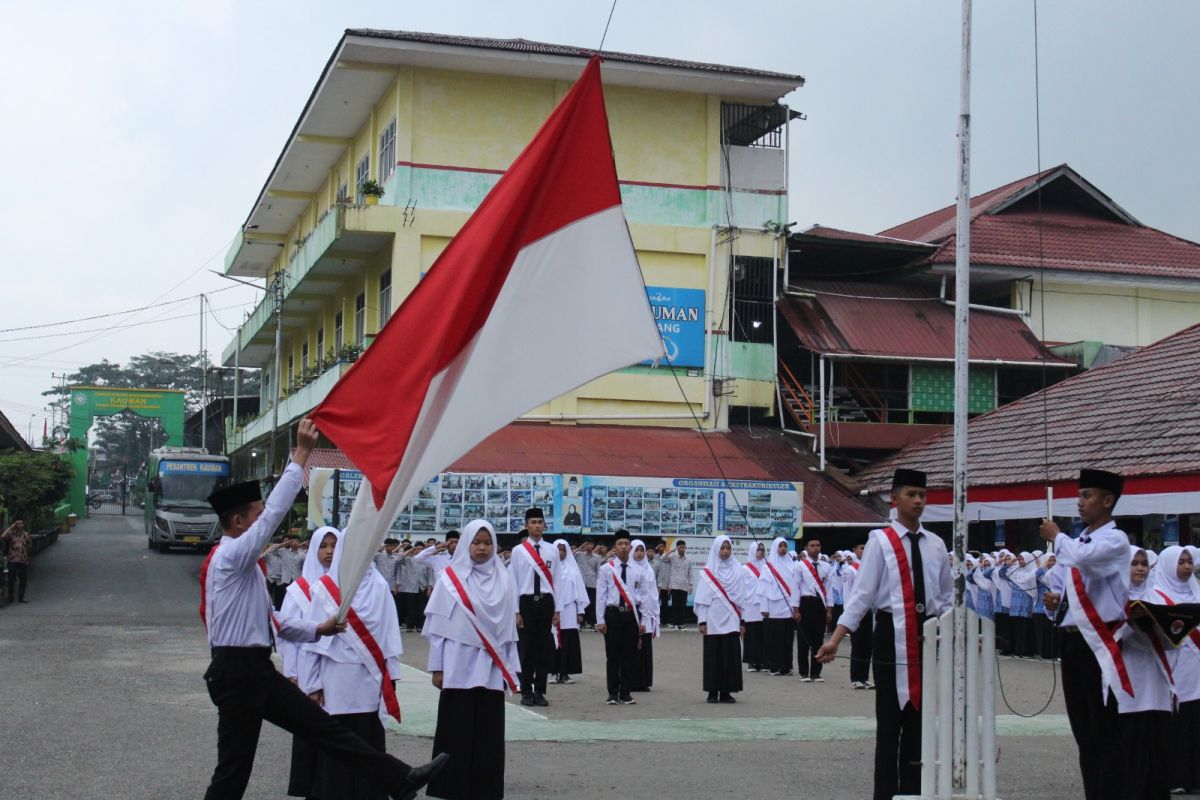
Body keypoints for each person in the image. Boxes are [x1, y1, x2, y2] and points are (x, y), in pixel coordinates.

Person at [199, 418, 446, 800]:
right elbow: (271, 519)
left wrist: (319, 629)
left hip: (252, 669)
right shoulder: (231, 555)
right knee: (234, 768)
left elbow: (275, 623)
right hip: (237, 672)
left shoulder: (244, 567)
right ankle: (399, 780)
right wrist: (300, 455)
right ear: (236, 521)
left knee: (324, 730)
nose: (265, 524)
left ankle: (400, 780)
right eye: (255, 515)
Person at [817, 468, 953, 800]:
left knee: (919, 726)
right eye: (911, 494)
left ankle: (914, 793)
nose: (918, 501)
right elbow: (862, 595)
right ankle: (886, 795)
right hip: (892, 637)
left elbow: (947, 597)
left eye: (922, 495)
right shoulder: (880, 542)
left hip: (927, 637)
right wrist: (836, 637)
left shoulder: (936, 544)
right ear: (894, 499)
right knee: (890, 726)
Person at [1037, 468, 1131, 800]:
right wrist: (1052, 602)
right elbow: (1062, 587)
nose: (1080, 503)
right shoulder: (1077, 542)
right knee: (1083, 733)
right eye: (1079, 496)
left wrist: (1056, 535)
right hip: (1074, 639)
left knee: (1104, 729)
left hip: (1100, 641)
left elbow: (1081, 559)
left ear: (1107, 501)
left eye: (1087, 496)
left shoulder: (1115, 540)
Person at [300, 526, 405, 800]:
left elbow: (390, 636)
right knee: (337, 742)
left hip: (369, 680)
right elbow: (311, 641)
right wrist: (312, 684)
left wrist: (391, 678)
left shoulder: (379, 586)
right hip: (335, 680)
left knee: (367, 737)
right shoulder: (324, 588)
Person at [423, 520, 520, 800]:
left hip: (490, 668)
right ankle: (450, 787)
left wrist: (509, 668)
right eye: (476, 542)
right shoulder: (450, 580)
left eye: (487, 543)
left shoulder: (504, 579)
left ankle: (485, 788)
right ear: (466, 543)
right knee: (457, 730)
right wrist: (437, 667)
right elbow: (438, 628)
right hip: (457, 666)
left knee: (488, 734)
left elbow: (509, 631)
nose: (482, 548)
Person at [279, 526, 336, 799]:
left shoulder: (346, 588)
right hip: (304, 666)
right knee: (309, 726)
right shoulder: (298, 590)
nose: (329, 552)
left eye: (334, 546)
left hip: (334, 667)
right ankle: (308, 786)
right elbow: (287, 636)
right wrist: (291, 672)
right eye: (324, 546)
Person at [1118, 545, 1172, 800]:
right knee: (1132, 742)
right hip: (1128, 677)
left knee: (1158, 743)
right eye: (1134, 563)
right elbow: (1105, 638)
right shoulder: (1114, 598)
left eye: (1143, 563)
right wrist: (1131, 623)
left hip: (1157, 677)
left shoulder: (1159, 598)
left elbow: (1174, 643)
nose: (1140, 568)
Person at [1149, 545, 1200, 795]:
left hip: (1197, 670)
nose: (1187, 566)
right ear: (1169, 565)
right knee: (1177, 722)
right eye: (1181, 562)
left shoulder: (1196, 591)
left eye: (1189, 561)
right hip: (1174, 669)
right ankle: (1176, 776)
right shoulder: (1157, 596)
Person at [508, 508, 560, 707]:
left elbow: (557, 581)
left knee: (544, 649)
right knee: (527, 648)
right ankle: (526, 691)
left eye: (540, 522)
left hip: (546, 602)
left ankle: (540, 691)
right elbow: (514, 582)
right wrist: (516, 611)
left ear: (544, 525)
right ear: (526, 525)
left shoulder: (552, 550)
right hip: (526, 602)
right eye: (533, 522)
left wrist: (557, 610)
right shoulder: (519, 551)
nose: (538, 525)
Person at [694, 535, 749, 703]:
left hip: (732, 617)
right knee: (713, 656)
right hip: (712, 618)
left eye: (728, 548)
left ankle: (726, 691)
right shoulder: (708, 572)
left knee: (730, 655)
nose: (725, 551)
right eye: (722, 548)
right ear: (716, 549)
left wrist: (742, 621)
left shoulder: (739, 569)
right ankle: (712, 691)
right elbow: (702, 599)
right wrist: (702, 621)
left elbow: (742, 598)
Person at [596, 531, 648, 704]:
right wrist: (600, 620)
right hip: (613, 614)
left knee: (629, 655)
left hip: (631, 616)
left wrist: (644, 621)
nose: (624, 547)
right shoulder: (606, 569)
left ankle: (625, 693)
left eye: (627, 543)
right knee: (612, 656)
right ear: (614, 547)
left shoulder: (639, 570)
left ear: (630, 547)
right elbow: (601, 596)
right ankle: (612, 693)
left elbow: (643, 597)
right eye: (620, 544)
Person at [550, 538, 589, 684]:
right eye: (558, 549)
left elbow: (579, 591)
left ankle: (565, 672)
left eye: (563, 550)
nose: (560, 552)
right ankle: (553, 672)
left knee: (568, 641)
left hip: (570, 610)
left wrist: (580, 612)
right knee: (554, 640)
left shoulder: (573, 569)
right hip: (553, 610)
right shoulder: (549, 567)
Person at [761, 537, 801, 676]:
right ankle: (773, 666)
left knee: (787, 638)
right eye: (780, 546)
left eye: (785, 546)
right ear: (775, 548)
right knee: (773, 638)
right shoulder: (768, 567)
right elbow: (763, 589)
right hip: (773, 607)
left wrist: (796, 606)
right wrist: (764, 608)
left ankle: (786, 666)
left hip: (788, 606)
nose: (783, 548)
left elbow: (796, 587)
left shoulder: (793, 565)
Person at [795, 538, 831, 682]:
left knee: (818, 639)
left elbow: (829, 590)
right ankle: (803, 672)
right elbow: (795, 588)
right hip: (805, 603)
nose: (815, 548)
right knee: (804, 639)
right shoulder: (800, 566)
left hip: (820, 604)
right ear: (806, 548)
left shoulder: (825, 567)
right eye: (812, 546)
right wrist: (796, 609)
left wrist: (829, 609)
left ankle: (816, 672)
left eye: (818, 545)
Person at [628, 539, 661, 691]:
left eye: (642, 550)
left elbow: (653, 593)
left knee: (645, 647)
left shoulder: (648, 570)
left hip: (647, 614)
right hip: (633, 613)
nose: (640, 553)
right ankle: (631, 681)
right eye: (637, 550)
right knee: (632, 647)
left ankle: (644, 681)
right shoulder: (627, 569)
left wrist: (654, 615)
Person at [844, 543, 874, 689]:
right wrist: (847, 613)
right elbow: (847, 592)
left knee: (868, 645)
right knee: (857, 645)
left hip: (870, 610)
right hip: (856, 610)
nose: (864, 550)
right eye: (861, 548)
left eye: (866, 547)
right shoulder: (850, 570)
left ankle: (864, 677)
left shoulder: (871, 567)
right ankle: (855, 677)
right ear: (854, 550)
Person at [741, 541, 769, 673]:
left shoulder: (767, 567)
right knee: (751, 634)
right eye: (758, 550)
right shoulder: (745, 568)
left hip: (764, 605)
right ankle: (751, 661)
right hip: (750, 606)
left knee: (763, 634)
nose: (761, 552)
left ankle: (762, 661)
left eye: (763, 550)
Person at [662, 540, 693, 630]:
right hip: (674, 585)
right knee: (675, 605)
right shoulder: (673, 557)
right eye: (680, 547)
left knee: (682, 606)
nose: (682, 549)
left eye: (683, 547)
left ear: (685, 548)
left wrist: (691, 586)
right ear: (677, 548)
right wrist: (672, 550)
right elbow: (662, 558)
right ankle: (675, 624)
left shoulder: (688, 560)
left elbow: (690, 573)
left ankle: (681, 624)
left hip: (684, 585)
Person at [1, 520, 31, 603]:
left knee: (23, 579)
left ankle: (21, 597)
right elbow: (2, 536)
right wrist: (12, 526)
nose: (20, 525)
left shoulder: (26, 534)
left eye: (21, 523)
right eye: (18, 523)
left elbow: (29, 546)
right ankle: (10, 597)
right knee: (11, 579)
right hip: (13, 559)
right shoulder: (11, 534)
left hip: (23, 560)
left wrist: (27, 557)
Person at [574, 541, 601, 628]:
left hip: (593, 583)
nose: (588, 546)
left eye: (590, 544)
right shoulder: (579, 555)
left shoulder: (597, 557)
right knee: (582, 603)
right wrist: (580, 547)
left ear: (593, 545)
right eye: (587, 544)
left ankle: (592, 623)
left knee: (592, 603)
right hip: (581, 583)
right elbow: (569, 555)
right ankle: (582, 623)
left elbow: (598, 570)